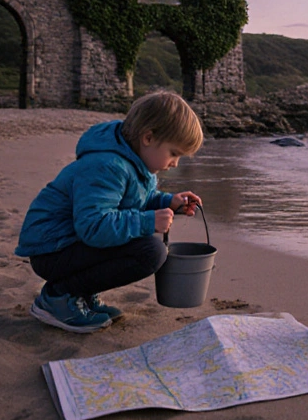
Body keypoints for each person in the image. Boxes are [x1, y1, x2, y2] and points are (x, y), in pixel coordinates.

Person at [15, 90, 204, 333]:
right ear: (148, 137)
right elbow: (93, 227)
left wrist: (167, 202)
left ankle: (79, 294)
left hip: (67, 243)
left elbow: (132, 201)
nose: (175, 163)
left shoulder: (133, 159)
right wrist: (148, 222)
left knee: (147, 246)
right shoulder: (107, 165)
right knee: (150, 252)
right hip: (51, 250)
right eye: (174, 153)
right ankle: (58, 296)